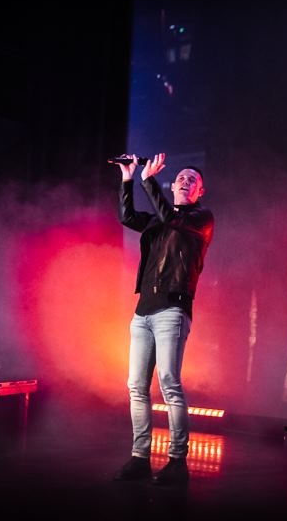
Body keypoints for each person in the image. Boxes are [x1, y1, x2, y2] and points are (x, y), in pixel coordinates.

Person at [111, 153, 214, 485]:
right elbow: (128, 216)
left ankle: (177, 461)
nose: (185, 181)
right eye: (181, 177)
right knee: (137, 386)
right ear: (172, 186)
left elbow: (171, 218)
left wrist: (148, 180)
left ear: (200, 191)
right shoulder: (159, 220)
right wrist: (129, 177)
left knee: (169, 382)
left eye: (192, 180)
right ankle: (139, 458)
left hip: (173, 309)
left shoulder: (200, 219)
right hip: (143, 311)